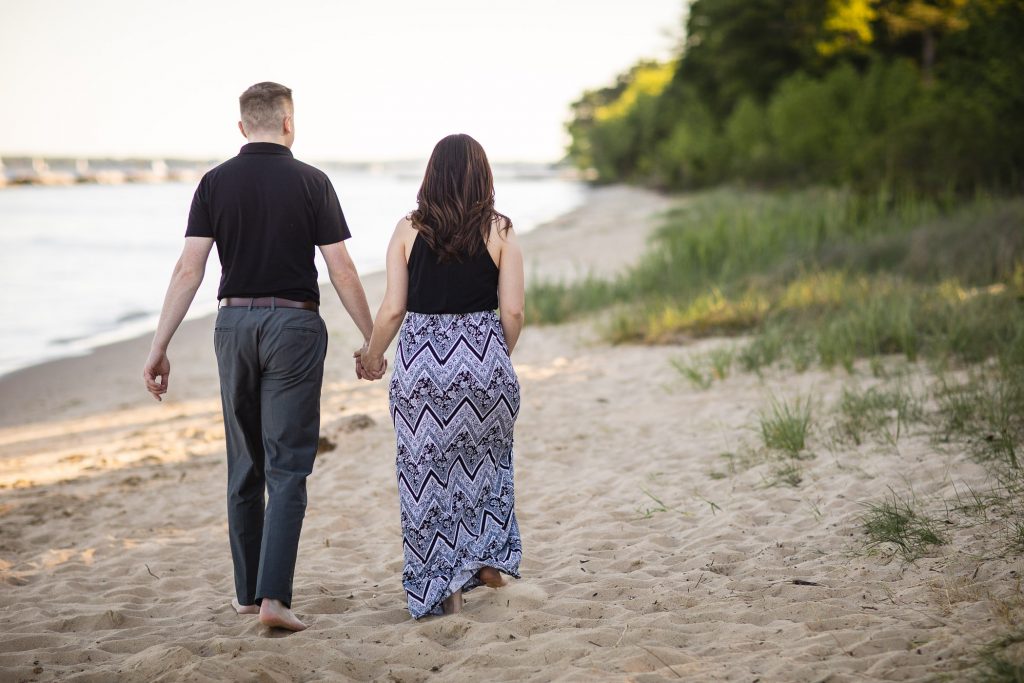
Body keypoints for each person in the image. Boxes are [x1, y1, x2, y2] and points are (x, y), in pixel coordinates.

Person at [142, 82, 377, 631]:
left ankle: (247, 595)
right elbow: (340, 268)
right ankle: (274, 599)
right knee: (288, 466)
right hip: (294, 324)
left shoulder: (213, 182)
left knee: (244, 462)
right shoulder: (313, 181)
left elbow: (189, 268)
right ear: (289, 123)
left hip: (232, 323)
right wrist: (371, 340)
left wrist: (159, 345)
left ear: (243, 127)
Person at [357, 134, 524, 618]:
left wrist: (370, 357)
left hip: (424, 371)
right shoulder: (502, 230)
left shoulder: (408, 229)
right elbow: (512, 309)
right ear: (483, 176)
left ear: (431, 175)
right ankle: (486, 557)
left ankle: (445, 587)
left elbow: (392, 310)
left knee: (427, 480)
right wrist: (493, 355)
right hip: (487, 366)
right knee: (488, 469)